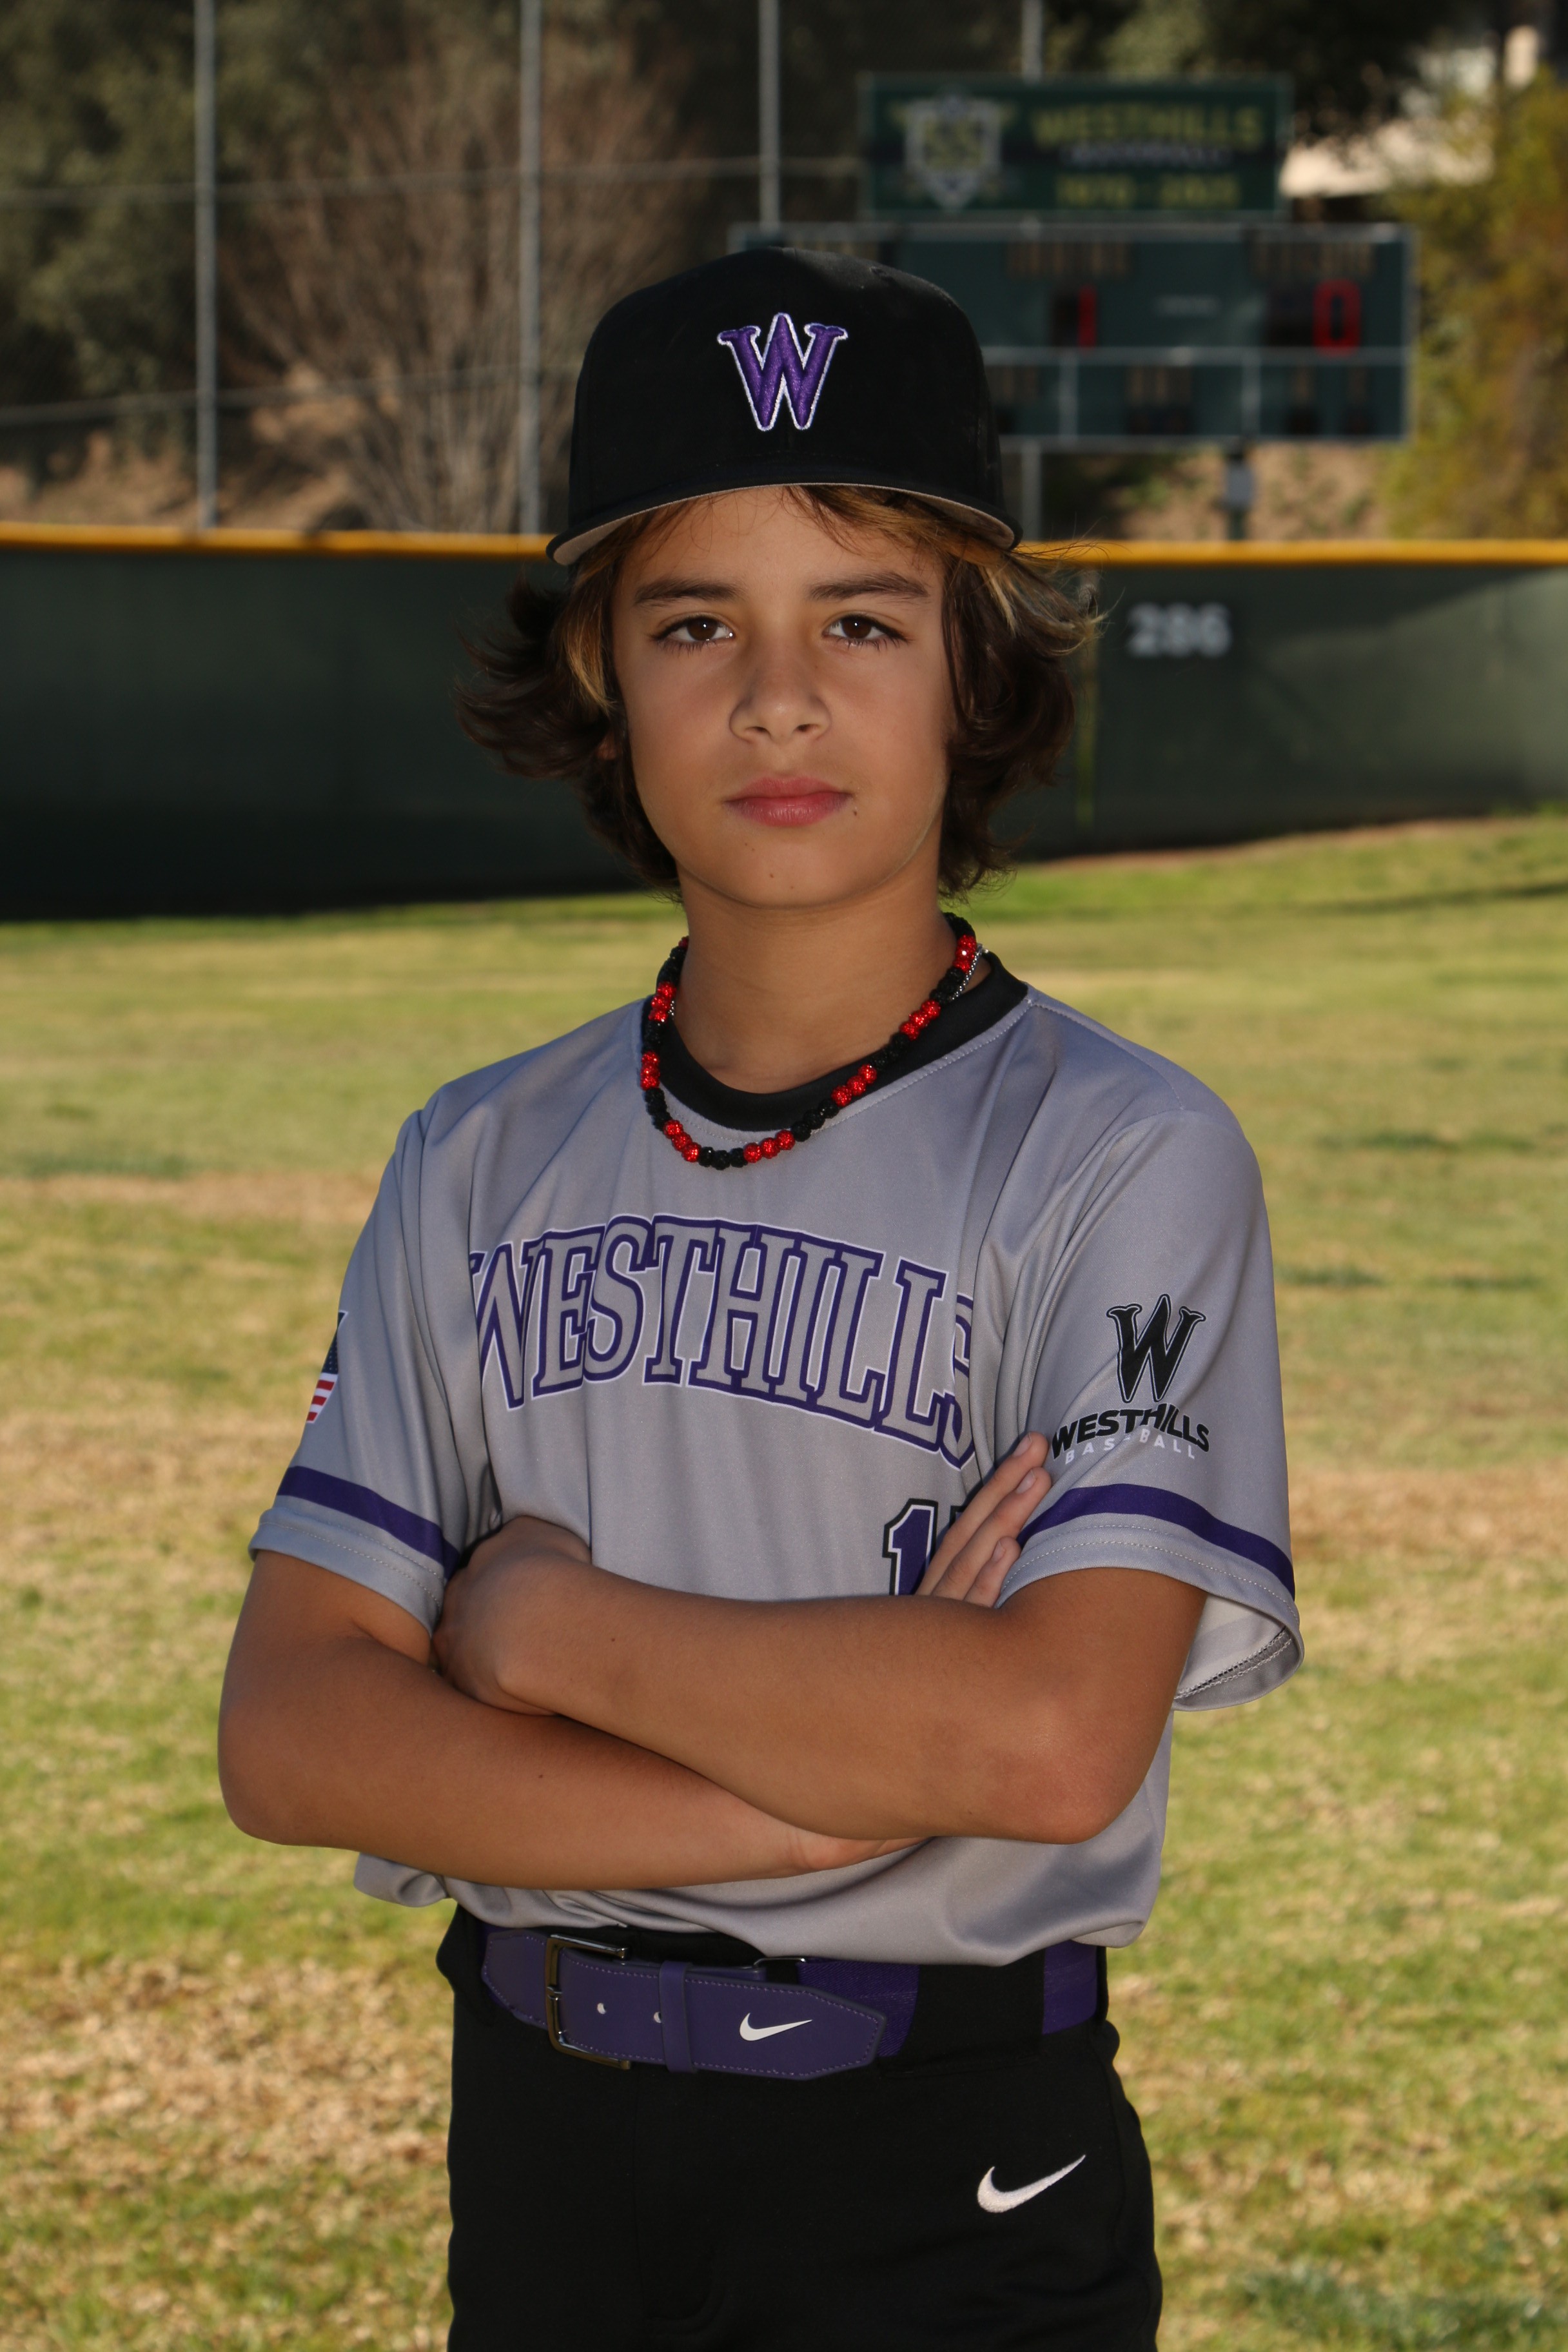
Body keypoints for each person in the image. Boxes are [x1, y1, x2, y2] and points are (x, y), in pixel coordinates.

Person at [219, 248, 1301, 2351]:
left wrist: (536, 1632)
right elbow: (292, 1730)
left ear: (976, 663)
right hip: (542, 2135)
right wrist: (795, 1799)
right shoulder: (479, 1156)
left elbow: (1051, 1735)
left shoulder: (1123, 1155)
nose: (778, 697)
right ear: (602, 672)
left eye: (863, 621)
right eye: (695, 621)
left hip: (945, 2160)